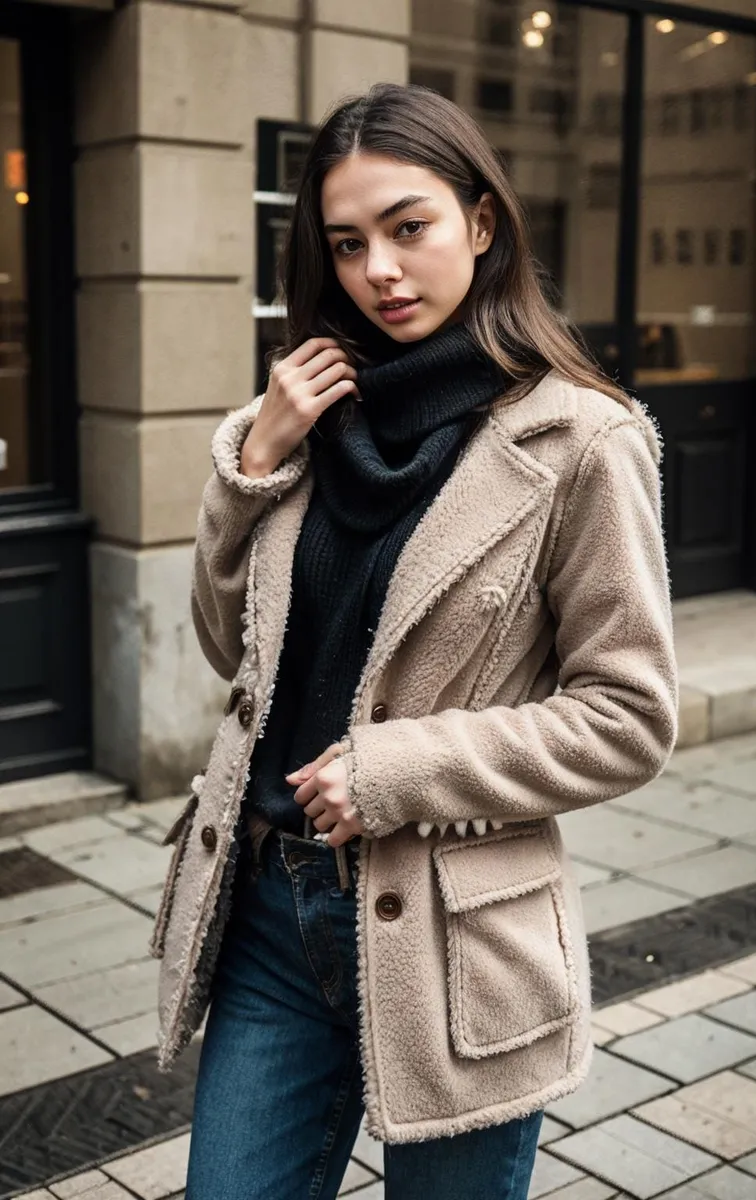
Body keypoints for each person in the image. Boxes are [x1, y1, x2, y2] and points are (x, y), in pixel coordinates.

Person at [149, 82, 679, 1200]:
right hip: (269, 911)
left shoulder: (580, 439)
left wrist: (398, 769)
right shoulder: (308, 415)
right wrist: (252, 468)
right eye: (346, 244)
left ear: (480, 225)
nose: (377, 270)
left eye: (408, 227)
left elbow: (627, 718)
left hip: (455, 933)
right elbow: (223, 648)